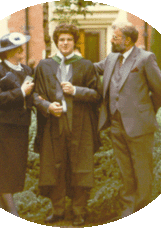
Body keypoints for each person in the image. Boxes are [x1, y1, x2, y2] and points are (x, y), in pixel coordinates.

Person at [94, 22, 161, 220]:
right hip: (116, 125)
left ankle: (142, 211)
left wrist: (146, 112)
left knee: (142, 170)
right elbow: (91, 69)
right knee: (125, 170)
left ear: (127, 41)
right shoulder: (110, 58)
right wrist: (64, 63)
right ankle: (128, 209)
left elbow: (160, 90)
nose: (111, 40)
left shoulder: (145, 58)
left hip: (140, 126)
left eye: (115, 37)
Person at [33, 23, 101, 226]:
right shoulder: (45, 65)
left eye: (69, 39)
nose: (65, 43)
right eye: (61, 39)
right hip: (53, 125)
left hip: (80, 125)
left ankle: (79, 211)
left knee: (80, 167)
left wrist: (76, 91)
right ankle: (58, 210)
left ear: (74, 42)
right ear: (56, 42)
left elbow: (98, 95)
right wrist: (46, 105)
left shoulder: (86, 65)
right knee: (55, 167)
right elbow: (34, 96)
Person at [0, 32, 34, 217]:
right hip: (2, 128)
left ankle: (2, 213)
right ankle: (13, 213)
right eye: (18, 48)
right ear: (9, 52)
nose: (22, 50)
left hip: (20, 127)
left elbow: (33, 97)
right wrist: (21, 92)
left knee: (13, 170)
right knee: (3, 171)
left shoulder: (27, 70)